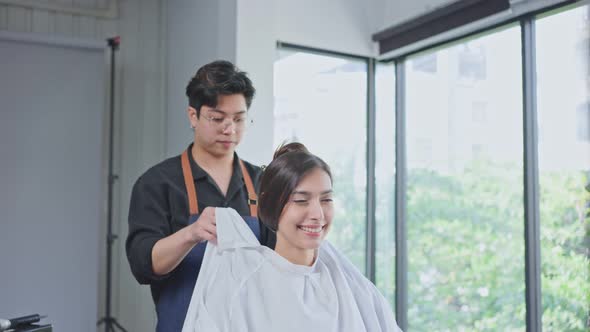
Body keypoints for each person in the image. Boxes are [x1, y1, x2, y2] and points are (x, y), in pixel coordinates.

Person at [182, 142, 402, 332]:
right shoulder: (245, 287)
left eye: (326, 200)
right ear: (271, 205)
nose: (317, 214)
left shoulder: (350, 285)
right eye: (301, 200)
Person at [125, 60, 276, 332]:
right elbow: (142, 264)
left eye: (239, 119)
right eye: (217, 118)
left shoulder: (263, 182)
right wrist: (191, 234)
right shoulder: (157, 183)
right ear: (193, 116)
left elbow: (283, 261)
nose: (229, 129)